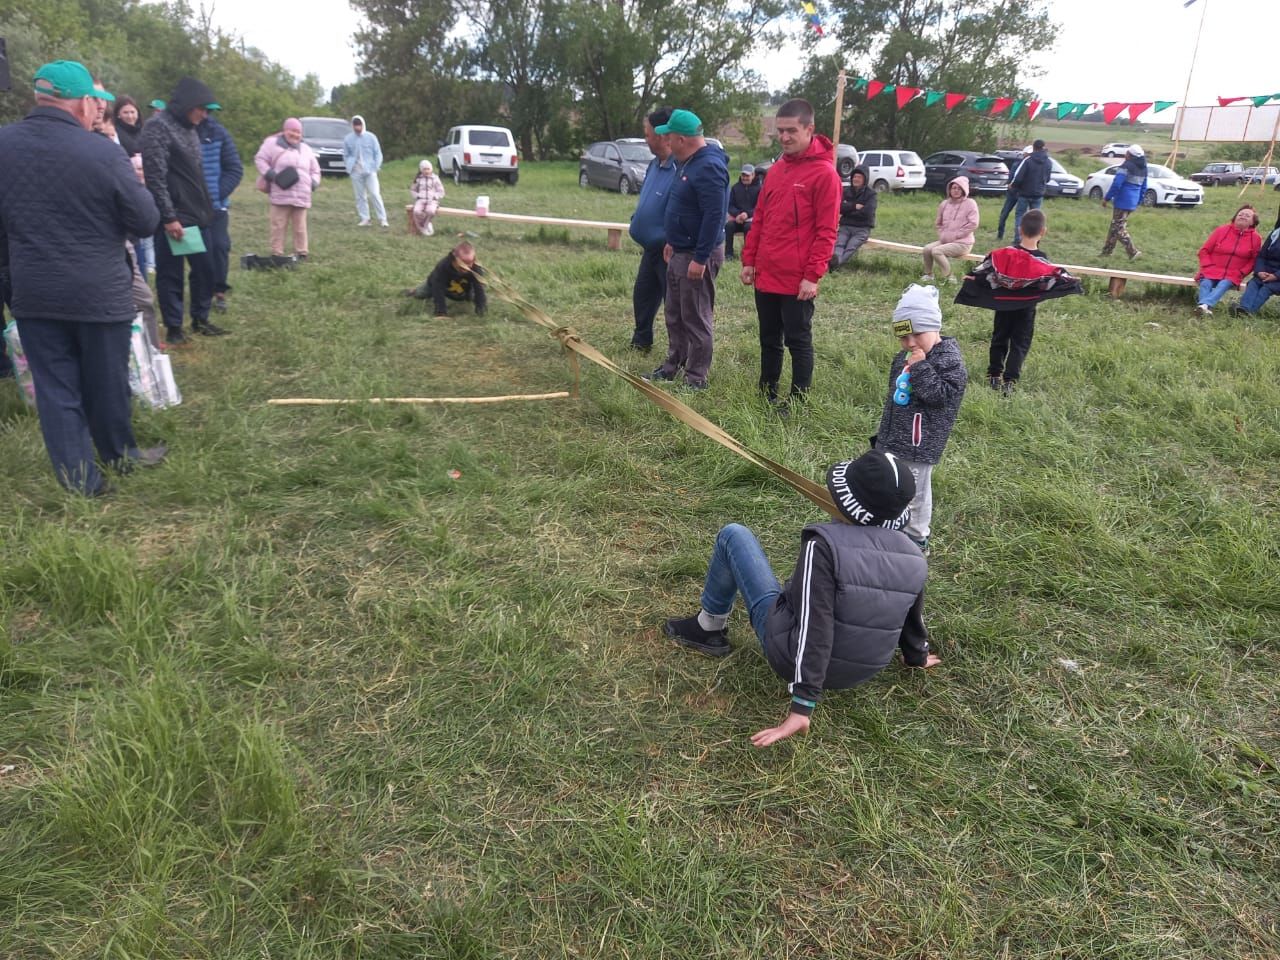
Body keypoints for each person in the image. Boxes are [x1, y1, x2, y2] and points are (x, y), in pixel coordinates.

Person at [663, 447, 940, 747]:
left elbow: (814, 623)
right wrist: (917, 656)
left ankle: (708, 627)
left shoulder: (822, 547)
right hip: (863, 671)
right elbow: (912, 615)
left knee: (734, 535)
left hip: (792, 658)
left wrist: (803, 704)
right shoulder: (915, 556)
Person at [0, 60, 164, 496]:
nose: (99, 111)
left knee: (56, 390)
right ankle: (120, 457)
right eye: (97, 102)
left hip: (33, 292)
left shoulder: (3, 144)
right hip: (99, 293)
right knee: (107, 382)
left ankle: (79, 482)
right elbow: (145, 219)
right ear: (85, 101)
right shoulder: (102, 152)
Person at [740, 97, 841, 409]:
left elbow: (827, 232)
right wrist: (749, 259)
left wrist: (812, 276)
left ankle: (797, 400)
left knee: (798, 340)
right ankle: (766, 392)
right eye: (779, 131)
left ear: (809, 129)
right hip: (766, 273)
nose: (784, 137)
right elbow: (760, 219)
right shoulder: (776, 170)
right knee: (769, 339)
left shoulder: (825, 175)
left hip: (798, 279)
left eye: (791, 131)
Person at [875, 285, 967, 554]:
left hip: (920, 443)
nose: (911, 342)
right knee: (893, 484)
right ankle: (891, 527)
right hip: (894, 437)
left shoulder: (949, 360)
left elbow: (941, 395)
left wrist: (920, 367)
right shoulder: (904, 356)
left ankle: (916, 538)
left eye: (918, 334)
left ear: (935, 327)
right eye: (904, 337)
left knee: (915, 493)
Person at [954, 209, 1083, 395]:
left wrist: (972, 279)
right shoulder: (1042, 260)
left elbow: (985, 270)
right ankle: (1010, 380)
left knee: (999, 338)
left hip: (1003, 306)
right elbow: (1051, 280)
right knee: (1020, 343)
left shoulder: (1005, 254)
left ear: (1020, 229)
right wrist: (1071, 283)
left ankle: (993, 374)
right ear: (1043, 232)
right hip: (1026, 310)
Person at [645, 109, 729, 390]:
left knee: (695, 315)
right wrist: (672, 240)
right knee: (675, 313)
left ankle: (696, 377)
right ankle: (672, 365)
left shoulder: (709, 167)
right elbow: (683, 206)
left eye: (668, 136)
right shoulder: (686, 162)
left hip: (697, 254)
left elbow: (714, 216)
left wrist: (701, 257)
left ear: (681, 139)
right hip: (680, 250)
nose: (665, 140)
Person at [141, 76, 224, 344]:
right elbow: (155, 177)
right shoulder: (157, 128)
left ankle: (200, 318)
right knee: (170, 273)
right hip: (175, 216)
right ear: (188, 104)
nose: (204, 115)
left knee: (206, 270)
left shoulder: (189, 127)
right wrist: (169, 217)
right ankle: (175, 328)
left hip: (199, 213)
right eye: (202, 108)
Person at [626, 107, 677, 353]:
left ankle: (677, 351)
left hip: (669, 249)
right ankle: (641, 339)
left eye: (647, 135)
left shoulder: (680, 167)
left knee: (673, 303)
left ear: (662, 135)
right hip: (650, 247)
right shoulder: (655, 164)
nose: (646, 140)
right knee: (643, 294)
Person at [254, 118, 321, 262]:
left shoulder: (306, 149)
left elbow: (315, 169)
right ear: (285, 130)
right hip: (280, 192)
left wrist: (314, 183)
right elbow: (260, 159)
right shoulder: (271, 144)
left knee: (300, 226)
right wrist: (271, 175)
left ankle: (302, 253)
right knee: (278, 224)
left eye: (298, 132)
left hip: (302, 194)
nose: (295, 134)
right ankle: (276, 253)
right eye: (292, 130)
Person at [198, 106, 244, 312]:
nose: (203, 114)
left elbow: (234, 168)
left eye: (207, 110)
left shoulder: (218, 133)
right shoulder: (180, 132)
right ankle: (201, 293)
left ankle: (219, 291)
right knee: (200, 252)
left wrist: (217, 193)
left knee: (220, 247)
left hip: (217, 207)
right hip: (190, 207)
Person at [1193, 205, 1261, 318]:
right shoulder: (1221, 230)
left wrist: (1241, 272)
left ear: (1253, 222)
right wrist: (1207, 266)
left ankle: (1203, 306)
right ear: (1235, 218)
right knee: (1205, 283)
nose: (1243, 216)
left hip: (1233, 273)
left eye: (1247, 215)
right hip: (1212, 268)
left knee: (1224, 284)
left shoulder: (1256, 238)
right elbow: (1204, 251)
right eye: (1240, 214)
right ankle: (1206, 308)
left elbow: (1253, 260)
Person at [405, 241, 487, 317]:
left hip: (464, 288)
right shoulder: (443, 266)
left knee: (473, 296)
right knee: (421, 294)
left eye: (470, 262)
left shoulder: (476, 268)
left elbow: (479, 288)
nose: (467, 266)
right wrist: (441, 311)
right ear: (455, 258)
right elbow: (437, 288)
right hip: (440, 285)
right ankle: (413, 291)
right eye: (464, 263)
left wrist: (481, 309)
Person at [921, 177, 978, 283]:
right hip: (946, 241)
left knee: (937, 251)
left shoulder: (970, 203)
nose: (956, 191)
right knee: (927, 249)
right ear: (949, 190)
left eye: (959, 189)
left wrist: (958, 235)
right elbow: (938, 223)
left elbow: (973, 223)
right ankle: (928, 275)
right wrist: (943, 234)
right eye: (953, 188)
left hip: (963, 243)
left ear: (964, 190)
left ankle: (949, 277)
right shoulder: (944, 204)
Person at [1232, 203, 1280, 317]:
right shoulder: (1276, 232)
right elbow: (1261, 255)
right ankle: (1244, 310)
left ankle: (1246, 311)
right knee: (1253, 283)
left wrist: (1276, 276)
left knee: (1267, 288)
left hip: (1278, 277)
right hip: (1266, 272)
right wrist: (1259, 271)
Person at [1101, 144, 1146, 260]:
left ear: (1129, 155)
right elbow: (1144, 187)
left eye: (1127, 152)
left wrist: (1107, 198)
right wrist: (1138, 201)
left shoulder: (1126, 166)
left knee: (1118, 228)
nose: (1125, 154)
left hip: (1122, 200)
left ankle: (1133, 252)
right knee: (1115, 225)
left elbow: (1117, 184)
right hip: (1132, 201)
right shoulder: (1144, 168)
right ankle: (1107, 251)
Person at [343, 115, 387, 228]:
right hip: (356, 171)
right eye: (355, 125)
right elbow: (346, 154)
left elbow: (378, 153)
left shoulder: (371, 137)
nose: (357, 127)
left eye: (359, 125)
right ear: (352, 126)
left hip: (370, 170)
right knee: (360, 196)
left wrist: (376, 166)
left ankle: (382, 219)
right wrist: (349, 167)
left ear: (363, 124)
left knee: (375, 194)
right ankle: (365, 218)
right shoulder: (348, 139)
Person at [830, 165, 876, 268]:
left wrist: (848, 210)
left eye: (859, 177)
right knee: (839, 244)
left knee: (851, 247)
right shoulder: (846, 191)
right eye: (854, 177)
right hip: (845, 226)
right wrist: (854, 206)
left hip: (862, 229)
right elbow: (839, 208)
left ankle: (835, 264)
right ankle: (835, 262)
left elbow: (867, 213)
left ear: (865, 179)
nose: (856, 179)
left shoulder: (871, 194)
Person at [1010, 138, 1051, 237]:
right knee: (1036, 219)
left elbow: (1018, 177)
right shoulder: (1048, 162)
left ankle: (1018, 239)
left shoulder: (1028, 160)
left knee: (1020, 216)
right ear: (1043, 147)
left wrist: (1013, 186)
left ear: (1033, 147)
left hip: (1025, 193)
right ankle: (1034, 239)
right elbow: (1048, 178)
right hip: (1038, 194)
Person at [724, 164, 759, 259]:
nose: (745, 178)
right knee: (729, 226)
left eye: (747, 176)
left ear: (753, 175)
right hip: (737, 219)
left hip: (752, 220)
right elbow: (730, 206)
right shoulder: (735, 188)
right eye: (743, 175)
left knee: (748, 227)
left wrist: (747, 214)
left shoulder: (759, 189)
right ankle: (729, 254)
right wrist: (738, 214)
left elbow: (759, 207)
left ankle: (747, 254)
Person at [996, 145, 1031, 240]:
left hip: (1019, 194)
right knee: (1009, 214)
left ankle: (1011, 236)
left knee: (1014, 215)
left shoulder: (1023, 164)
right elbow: (1012, 177)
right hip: (1016, 193)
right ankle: (1002, 234)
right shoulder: (1019, 164)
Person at [410, 160, 445, 236]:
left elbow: (441, 191)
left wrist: (435, 197)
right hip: (421, 200)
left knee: (431, 211)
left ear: (431, 169)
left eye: (428, 169)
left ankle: (426, 224)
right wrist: (417, 196)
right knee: (416, 211)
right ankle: (423, 227)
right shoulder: (418, 179)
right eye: (424, 169)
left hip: (432, 200)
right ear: (421, 170)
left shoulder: (435, 178)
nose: (426, 171)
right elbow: (412, 190)